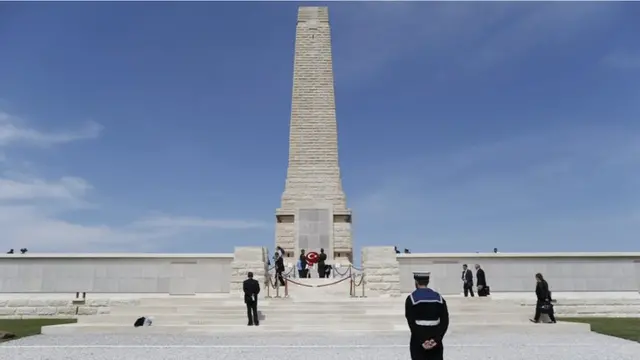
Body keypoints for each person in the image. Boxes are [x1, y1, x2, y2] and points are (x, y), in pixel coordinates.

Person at [405, 272, 449, 360]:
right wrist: (436, 339)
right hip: (435, 339)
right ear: (428, 281)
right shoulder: (439, 298)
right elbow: (445, 321)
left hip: (418, 340)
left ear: (416, 282)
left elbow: (411, 323)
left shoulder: (411, 299)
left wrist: (422, 341)